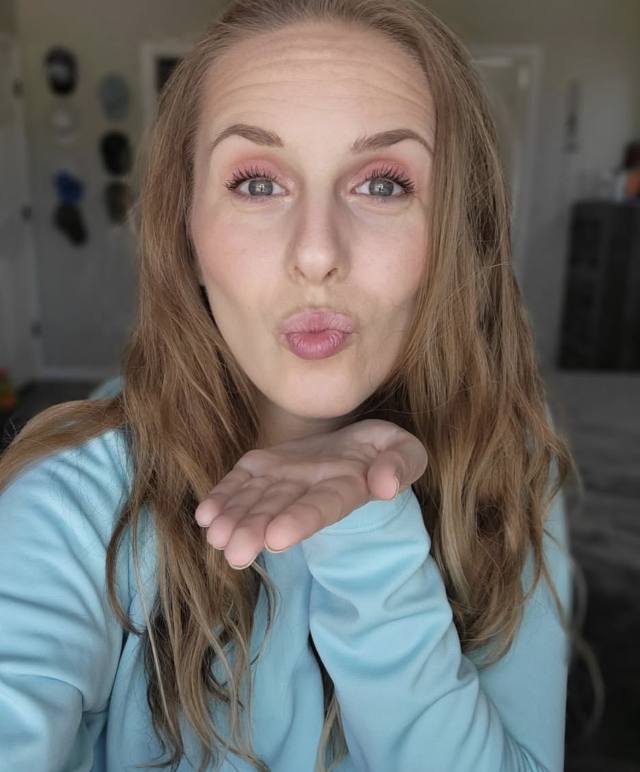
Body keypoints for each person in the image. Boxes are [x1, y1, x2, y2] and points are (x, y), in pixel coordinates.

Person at [0, 0, 579, 770]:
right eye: (257, 183)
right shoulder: (73, 498)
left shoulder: (510, 469)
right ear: (185, 230)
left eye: (382, 184)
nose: (316, 253)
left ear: (454, 234)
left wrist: (370, 532)